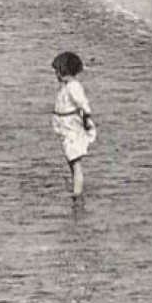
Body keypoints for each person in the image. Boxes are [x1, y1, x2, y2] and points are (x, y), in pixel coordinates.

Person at [50, 51, 95, 200]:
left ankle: (77, 193)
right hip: (65, 127)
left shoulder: (73, 86)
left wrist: (87, 118)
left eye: (57, 71)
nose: (56, 75)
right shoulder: (66, 86)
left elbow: (83, 103)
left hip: (72, 127)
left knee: (74, 161)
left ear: (64, 71)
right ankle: (76, 189)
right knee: (71, 160)